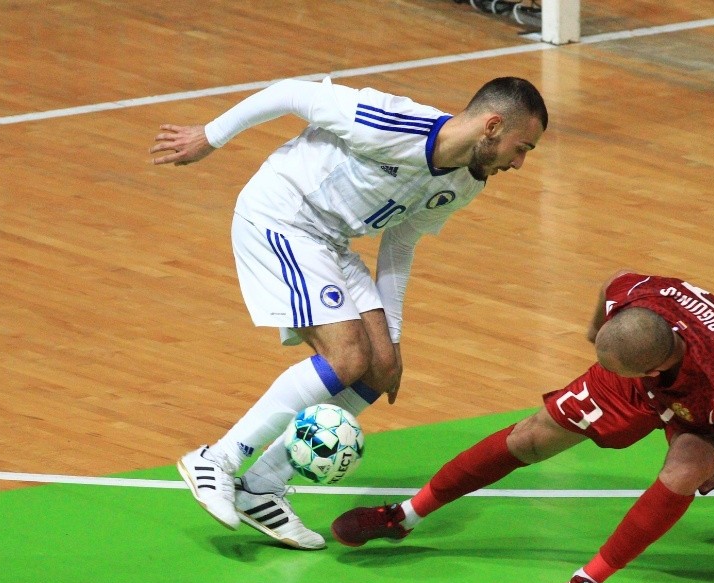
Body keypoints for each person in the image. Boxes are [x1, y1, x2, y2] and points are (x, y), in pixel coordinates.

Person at [149, 76, 548, 550]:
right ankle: (216, 460)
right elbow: (290, 93)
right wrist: (209, 137)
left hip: (330, 242)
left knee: (380, 369)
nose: (519, 164)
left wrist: (393, 337)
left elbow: (400, 242)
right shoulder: (390, 122)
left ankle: (261, 487)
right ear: (492, 126)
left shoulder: (464, 184)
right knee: (346, 357)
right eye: (521, 148)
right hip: (282, 216)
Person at [331, 271, 714, 583]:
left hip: (700, 404)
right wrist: (596, 329)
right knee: (531, 437)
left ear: (654, 367)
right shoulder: (635, 298)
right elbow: (616, 275)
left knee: (684, 471)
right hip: (635, 381)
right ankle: (404, 516)